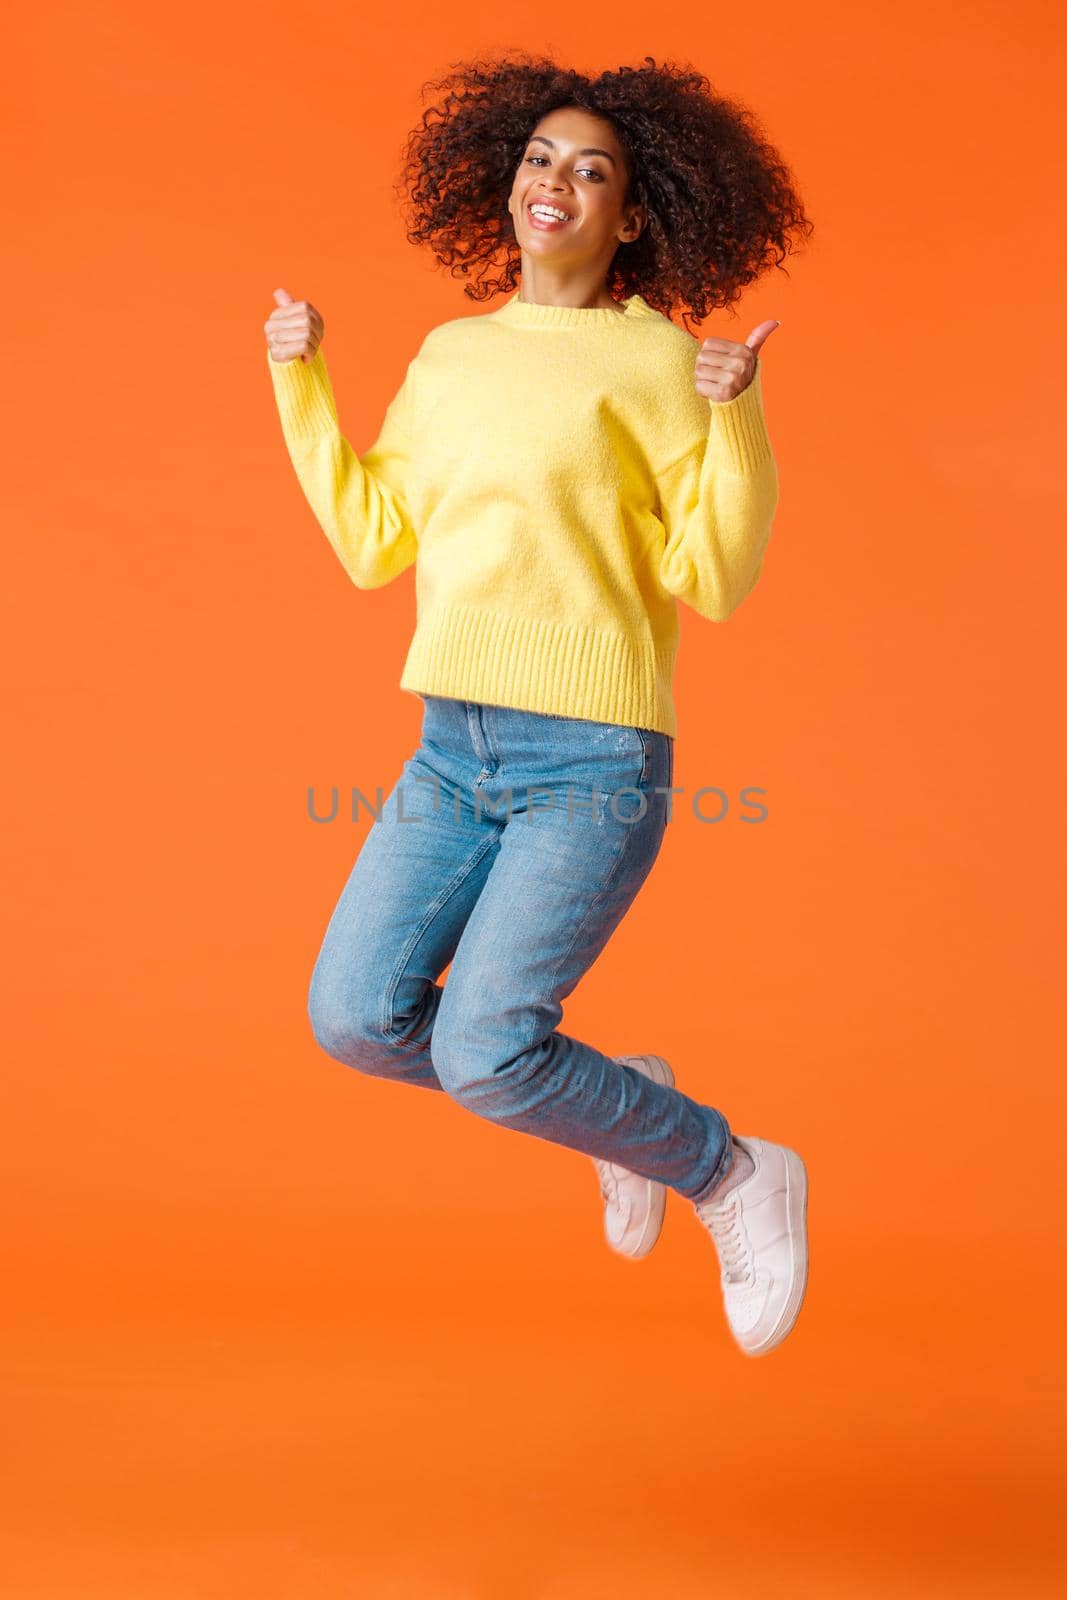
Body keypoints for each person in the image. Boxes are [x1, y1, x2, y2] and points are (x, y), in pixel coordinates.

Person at [263, 52, 815, 1357]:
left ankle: (732, 1173)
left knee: (486, 1053)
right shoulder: (452, 356)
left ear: (632, 214)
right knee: (354, 1017)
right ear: (502, 191)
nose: (554, 180)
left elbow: (717, 580)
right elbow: (371, 541)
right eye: (537, 161)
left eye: (591, 167)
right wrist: (302, 388)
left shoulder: (663, 363)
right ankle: (612, 1109)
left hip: (593, 757)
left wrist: (736, 422)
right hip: (450, 746)